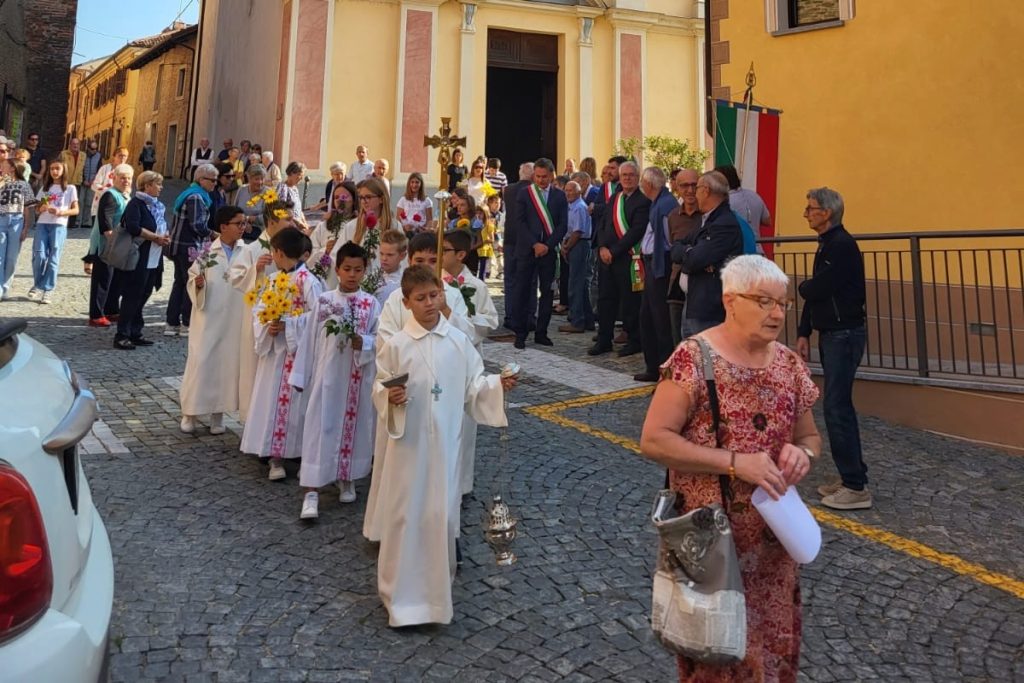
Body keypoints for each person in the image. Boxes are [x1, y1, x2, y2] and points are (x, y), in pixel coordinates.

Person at [640, 254, 821, 682]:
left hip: (775, 545)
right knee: (717, 657)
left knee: (771, 653)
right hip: (712, 545)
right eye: (764, 301)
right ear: (730, 300)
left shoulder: (789, 366)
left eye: (782, 303)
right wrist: (738, 464)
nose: (777, 313)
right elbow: (654, 439)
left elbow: (810, 438)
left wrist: (804, 456)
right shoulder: (694, 358)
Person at [369, 265, 515, 627]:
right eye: (420, 298)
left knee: (440, 516)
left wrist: (497, 386)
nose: (430, 303)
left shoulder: (458, 342)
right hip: (409, 450)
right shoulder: (397, 346)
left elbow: (473, 387)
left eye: (434, 295)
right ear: (406, 303)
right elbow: (380, 388)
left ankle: (435, 600)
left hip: (446, 447)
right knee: (406, 516)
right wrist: (392, 398)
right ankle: (398, 596)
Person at [290, 242, 381, 519]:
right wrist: (300, 375)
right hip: (326, 379)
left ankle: (347, 477)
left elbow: (382, 339)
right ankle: (312, 491)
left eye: (358, 270)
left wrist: (364, 342)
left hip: (357, 379)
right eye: (347, 269)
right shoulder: (325, 301)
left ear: (365, 271)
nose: (352, 275)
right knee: (320, 429)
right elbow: (309, 341)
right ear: (337, 270)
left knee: (353, 428)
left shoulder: (371, 303)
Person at [795, 187, 871, 511]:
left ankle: (856, 486)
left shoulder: (841, 246)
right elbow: (816, 295)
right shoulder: (827, 244)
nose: (806, 213)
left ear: (826, 213)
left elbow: (817, 288)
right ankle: (851, 476)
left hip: (844, 334)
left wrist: (801, 287)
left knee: (837, 407)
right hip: (832, 333)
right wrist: (804, 331)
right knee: (836, 406)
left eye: (811, 208)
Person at [240, 228, 324, 480]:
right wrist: (269, 323)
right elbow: (260, 308)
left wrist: (290, 323)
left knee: (297, 406)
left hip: (297, 354)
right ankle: (273, 455)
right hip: (276, 355)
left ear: (278, 252)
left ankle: (297, 452)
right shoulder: (274, 280)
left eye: (274, 252)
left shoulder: (310, 282)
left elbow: (318, 316)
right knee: (271, 404)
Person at [179, 205, 247, 435]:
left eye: (244, 223)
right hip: (208, 318)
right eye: (238, 223)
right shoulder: (207, 253)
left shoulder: (245, 251)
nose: (243, 228)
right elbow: (191, 277)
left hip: (234, 318)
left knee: (226, 367)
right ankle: (190, 412)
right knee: (202, 363)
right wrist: (198, 284)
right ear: (223, 226)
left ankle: (218, 414)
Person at [442, 229, 500, 496]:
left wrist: (462, 321)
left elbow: (490, 322)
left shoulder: (476, 286)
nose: (440, 255)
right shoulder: (436, 283)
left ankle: (462, 484)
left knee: (465, 425)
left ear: (461, 255)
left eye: (446, 250)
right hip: (440, 358)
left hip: (467, 359)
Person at [227, 199, 296, 421]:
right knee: (254, 369)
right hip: (257, 321)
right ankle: (252, 423)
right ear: (272, 221)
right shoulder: (252, 249)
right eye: (287, 218)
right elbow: (235, 278)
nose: (292, 222)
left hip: (284, 322)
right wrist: (255, 270)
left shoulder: (291, 248)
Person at [672, 171, 744, 338]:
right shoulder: (707, 220)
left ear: (705, 190)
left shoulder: (723, 223)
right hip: (694, 301)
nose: (693, 193)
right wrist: (689, 252)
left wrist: (690, 253)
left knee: (706, 358)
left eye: (696, 188)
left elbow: (695, 260)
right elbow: (676, 247)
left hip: (709, 306)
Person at [590, 160, 649, 357]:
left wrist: (613, 251)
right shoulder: (615, 197)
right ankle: (604, 339)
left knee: (630, 303)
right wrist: (602, 247)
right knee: (606, 300)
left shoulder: (643, 200)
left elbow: (636, 231)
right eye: (624, 175)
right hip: (607, 259)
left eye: (631, 175)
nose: (627, 178)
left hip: (628, 259)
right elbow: (604, 223)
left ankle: (635, 340)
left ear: (638, 177)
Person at [510, 158, 568, 349]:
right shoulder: (525, 194)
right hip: (527, 251)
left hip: (548, 252)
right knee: (522, 291)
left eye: (545, 177)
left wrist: (548, 245)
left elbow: (562, 225)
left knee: (547, 293)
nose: (541, 180)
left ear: (552, 175)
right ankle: (520, 332)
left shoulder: (559, 196)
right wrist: (534, 244)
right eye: (538, 176)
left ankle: (541, 332)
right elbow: (519, 223)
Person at [635, 167, 682, 382]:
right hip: (653, 265)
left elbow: (667, 240)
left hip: (659, 267)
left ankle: (664, 370)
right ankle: (653, 367)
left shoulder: (664, 204)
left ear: (648, 184)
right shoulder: (659, 202)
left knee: (660, 321)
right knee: (647, 318)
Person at [113, 171, 169, 349]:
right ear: (147, 185)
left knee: (144, 294)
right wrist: (155, 237)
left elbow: (161, 225)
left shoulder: (158, 206)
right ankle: (122, 334)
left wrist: (165, 236)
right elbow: (133, 226)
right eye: (157, 184)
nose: (160, 188)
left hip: (154, 256)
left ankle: (135, 331)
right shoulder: (136, 204)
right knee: (132, 295)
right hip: (138, 256)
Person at [164, 164, 218, 337]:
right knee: (190, 284)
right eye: (212, 180)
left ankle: (172, 323)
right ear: (201, 179)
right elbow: (198, 225)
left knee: (179, 282)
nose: (215, 184)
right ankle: (186, 323)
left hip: (180, 245)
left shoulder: (189, 193)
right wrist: (214, 234)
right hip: (189, 247)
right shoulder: (196, 197)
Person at [85, 163, 133, 326]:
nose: (126, 181)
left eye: (129, 178)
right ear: (114, 178)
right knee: (103, 280)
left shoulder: (124, 195)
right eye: (123, 178)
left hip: (119, 244)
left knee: (116, 279)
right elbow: (106, 220)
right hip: (107, 244)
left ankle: (112, 310)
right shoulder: (110, 194)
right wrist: (113, 240)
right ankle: (96, 314)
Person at [28, 161, 79, 304]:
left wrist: (62, 212)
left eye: (57, 168)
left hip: (58, 225)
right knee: (39, 255)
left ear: (63, 170)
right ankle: (38, 284)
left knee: (53, 258)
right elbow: (37, 208)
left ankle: (48, 288)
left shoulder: (70, 188)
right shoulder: (45, 188)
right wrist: (42, 208)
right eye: (52, 169)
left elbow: (76, 210)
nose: (54, 171)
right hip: (43, 224)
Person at [666, 168, 702, 347]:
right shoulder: (673, 216)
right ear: (677, 188)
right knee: (676, 338)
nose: (690, 190)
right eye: (684, 186)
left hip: (701, 284)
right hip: (677, 282)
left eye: (694, 185)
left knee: (697, 340)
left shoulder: (707, 215)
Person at [306, 180, 360, 290]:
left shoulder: (358, 226)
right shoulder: (324, 226)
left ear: (354, 200)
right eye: (336, 197)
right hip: (326, 281)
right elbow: (309, 253)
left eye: (345, 196)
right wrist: (325, 251)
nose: (340, 200)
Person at [557, 180, 594, 334]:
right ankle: (588, 320)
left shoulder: (579, 207)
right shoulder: (571, 206)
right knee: (581, 285)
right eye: (566, 190)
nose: (568, 193)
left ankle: (577, 321)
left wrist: (566, 247)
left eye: (572, 190)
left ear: (579, 192)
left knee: (575, 284)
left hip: (579, 244)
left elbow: (578, 232)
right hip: (574, 243)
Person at [501, 162, 533, 330]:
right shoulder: (533, 191)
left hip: (510, 238)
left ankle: (510, 315)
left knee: (510, 279)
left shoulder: (509, 190)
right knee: (529, 279)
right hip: (527, 241)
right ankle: (528, 316)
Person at [0, 159, 35, 300]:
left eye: (5, 165)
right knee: (0, 257)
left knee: (11, 257)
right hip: (1, 219)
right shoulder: (2, 183)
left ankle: (5, 287)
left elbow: (28, 208)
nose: (2, 167)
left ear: (13, 168)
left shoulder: (24, 185)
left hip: (16, 220)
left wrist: (26, 227)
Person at [717, 164, 771, 238]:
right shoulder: (754, 195)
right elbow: (767, 221)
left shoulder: (723, 202)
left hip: (736, 247)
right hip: (756, 246)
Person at [233, 163, 268, 241]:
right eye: (256, 179)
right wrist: (244, 223)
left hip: (260, 235)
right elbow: (234, 210)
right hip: (240, 233)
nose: (260, 182)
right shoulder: (242, 189)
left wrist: (253, 218)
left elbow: (271, 216)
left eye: (262, 179)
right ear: (249, 178)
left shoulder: (269, 193)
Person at [374, 229, 407, 306]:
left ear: (402, 256)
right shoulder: (373, 277)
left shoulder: (404, 282)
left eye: (390, 255)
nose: (384, 258)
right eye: (381, 254)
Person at [276, 161, 308, 231]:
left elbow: (299, 210)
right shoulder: (283, 188)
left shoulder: (295, 189)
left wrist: (304, 222)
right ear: (291, 173)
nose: (301, 178)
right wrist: (298, 222)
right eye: (299, 175)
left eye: (302, 175)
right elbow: (281, 210)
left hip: (297, 227)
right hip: (287, 227)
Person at [79, 140, 103, 230]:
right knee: (80, 201)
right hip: (82, 181)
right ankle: (78, 221)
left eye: (96, 149)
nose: (94, 151)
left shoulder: (99, 156)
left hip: (93, 182)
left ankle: (86, 221)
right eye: (92, 149)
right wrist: (84, 180)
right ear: (88, 148)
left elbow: (99, 170)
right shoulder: (82, 156)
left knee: (89, 202)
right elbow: (80, 168)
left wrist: (93, 181)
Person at [475, 205, 496, 280]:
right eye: (477, 213)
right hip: (477, 248)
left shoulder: (489, 225)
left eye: (480, 213)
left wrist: (485, 241)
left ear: (485, 214)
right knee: (475, 266)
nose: (478, 215)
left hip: (484, 249)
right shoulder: (476, 224)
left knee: (482, 268)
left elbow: (492, 239)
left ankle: (481, 280)